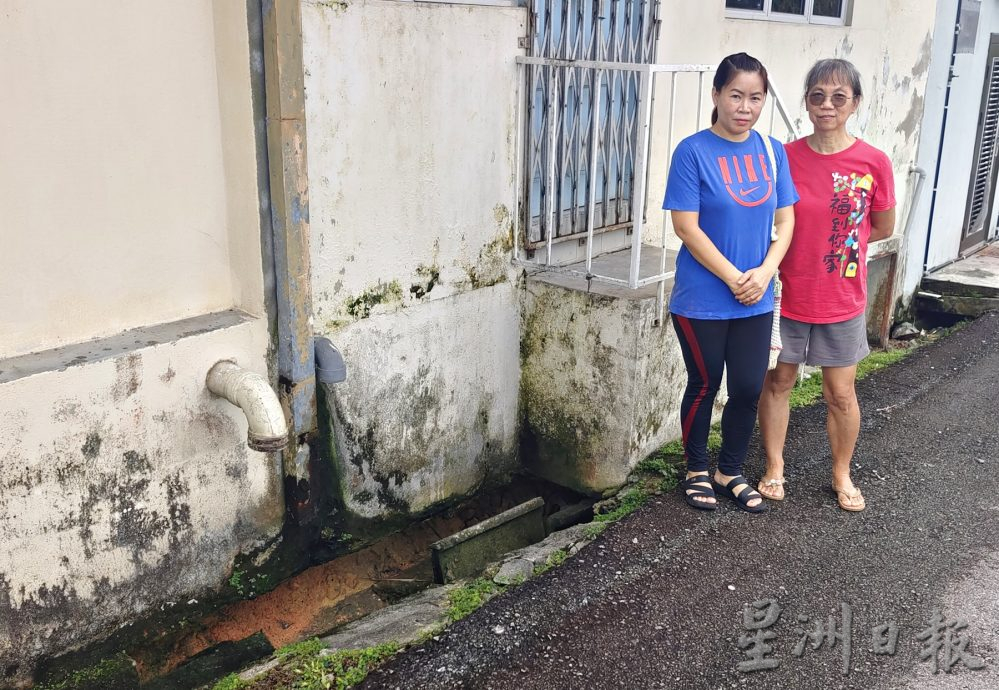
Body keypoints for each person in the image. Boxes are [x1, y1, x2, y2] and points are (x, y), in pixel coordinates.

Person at [757, 58, 896, 512]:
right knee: (778, 382)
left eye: (839, 96)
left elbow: (882, 227)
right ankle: (775, 467)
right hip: (786, 293)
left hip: (841, 297)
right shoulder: (785, 156)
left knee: (840, 393)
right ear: (806, 102)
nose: (827, 105)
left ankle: (841, 473)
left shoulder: (873, 161)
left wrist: (840, 249)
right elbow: (770, 219)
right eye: (817, 95)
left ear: (855, 103)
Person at [664, 52, 798, 513]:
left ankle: (730, 470)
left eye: (755, 98)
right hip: (702, 298)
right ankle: (697, 470)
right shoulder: (692, 151)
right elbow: (686, 227)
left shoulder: (771, 151)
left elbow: (787, 219)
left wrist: (763, 274)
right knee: (705, 383)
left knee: (747, 387)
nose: (745, 106)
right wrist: (735, 277)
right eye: (736, 95)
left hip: (756, 297)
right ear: (717, 95)